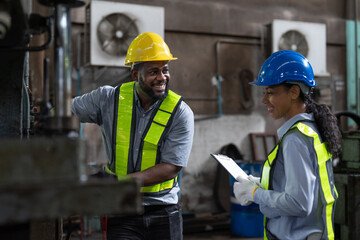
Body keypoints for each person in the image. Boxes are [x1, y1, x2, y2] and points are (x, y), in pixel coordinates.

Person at [72, 32, 194, 240]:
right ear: (136, 75)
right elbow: (67, 112)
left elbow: (171, 167)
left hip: (163, 210)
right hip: (121, 209)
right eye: (153, 71)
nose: (162, 77)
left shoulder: (180, 112)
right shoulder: (108, 99)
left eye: (165, 70)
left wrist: (116, 182)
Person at [233, 50, 341, 240]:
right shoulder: (312, 129)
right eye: (264, 92)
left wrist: (255, 194)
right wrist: (260, 183)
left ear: (294, 92)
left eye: (270, 93)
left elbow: (299, 202)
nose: (264, 100)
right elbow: (307, 188)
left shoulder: (295, 139)